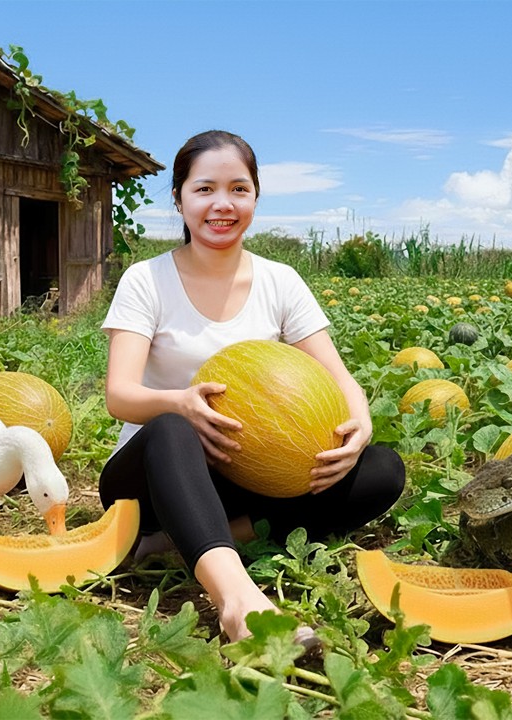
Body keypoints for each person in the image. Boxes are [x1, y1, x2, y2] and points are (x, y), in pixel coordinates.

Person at [97, 130, 406, 646]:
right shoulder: (146, 280)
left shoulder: (281, 281)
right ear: (179, 199)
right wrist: (182, 403)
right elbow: (119, 395)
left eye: (239, 189)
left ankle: (182, 540)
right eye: (204, 189)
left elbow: (338, 376)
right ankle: (238, 603)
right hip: (151, 476)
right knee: (173, 426)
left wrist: (360, 428)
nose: (223, 204)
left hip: (246, 474)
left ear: (256, 198)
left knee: (381, 469)